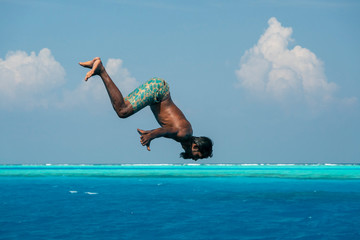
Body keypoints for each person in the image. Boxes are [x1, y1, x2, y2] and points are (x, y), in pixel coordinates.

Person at [79, 57, 213, 161]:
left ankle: (96, 66)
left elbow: (167, 127)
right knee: (122, 111)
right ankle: (101, 69)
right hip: (158, 91)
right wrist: (151, 136)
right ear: (195, 146)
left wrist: (150, 133)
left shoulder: (186, 133)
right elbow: (166, 130)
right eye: (198, 156)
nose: (195, 159)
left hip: (158, 91)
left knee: (123, 107)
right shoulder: (184, 134)